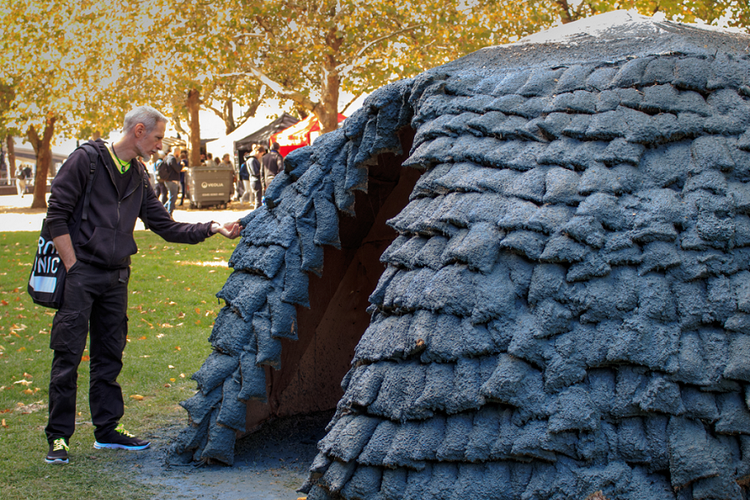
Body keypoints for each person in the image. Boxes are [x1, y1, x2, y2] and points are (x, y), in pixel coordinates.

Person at [42, 105, 240, 465]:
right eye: (158, 137)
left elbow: (165, 226)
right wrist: (73, 267)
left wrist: (211, 227)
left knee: (109, 356)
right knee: (68, 355)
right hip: (81, 273)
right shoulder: (85, 160)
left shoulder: (137, 174)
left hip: (116, 275)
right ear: (138, 130)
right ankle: (58, 437)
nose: (160, 146)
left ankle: (107, 431)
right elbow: (56, 214)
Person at [162, 146, 181, 216]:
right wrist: (181, 166)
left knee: (171, 197)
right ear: (176, 152)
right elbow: (177, 168)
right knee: (173, 197)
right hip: (172, 180)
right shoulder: (172, 158)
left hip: (168, 179)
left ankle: (161, 211)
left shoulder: (167, 157)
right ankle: (169, 214)